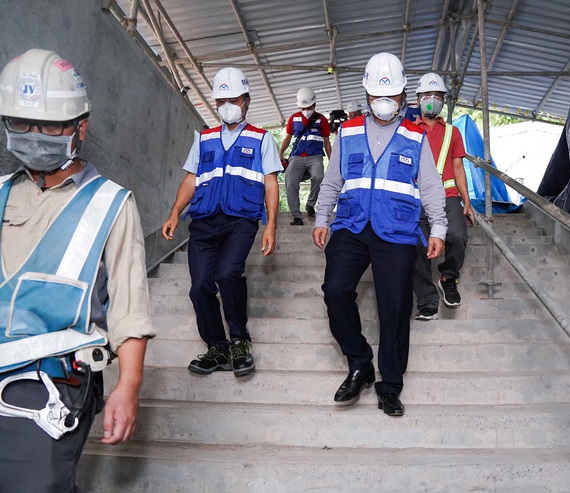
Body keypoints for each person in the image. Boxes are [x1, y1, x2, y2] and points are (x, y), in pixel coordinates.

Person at [0, 48, 155, 492]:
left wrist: (130, 385)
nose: (35, 135)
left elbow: (129, 308)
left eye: (50, 125)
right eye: (21, 124)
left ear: (80, 127)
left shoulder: (111, 204)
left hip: (52, 382)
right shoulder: (1, 193)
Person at [313, 53, 447, 417]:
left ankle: (390, 385)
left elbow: (432, 186)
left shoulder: (416, 135)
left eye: (390, 96)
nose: (383, 103)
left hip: (398, 230)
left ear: (405, 96)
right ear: (367, 95)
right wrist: (321, 217)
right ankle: (359, 362)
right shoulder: (348, 130)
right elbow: (332, 179)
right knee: (335, 290)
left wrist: (438, 227)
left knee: (394, 308)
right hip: (352, 225)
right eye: (375, 97)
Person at [162, 67, 281, 378]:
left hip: (241, 219)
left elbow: (270, 182)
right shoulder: (205, 138)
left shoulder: (262, 139)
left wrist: (271, 225)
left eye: (233, 99)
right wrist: (175, 211)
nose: (227, 105)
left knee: (228, 272)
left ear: (246, 101)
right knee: (200, 285)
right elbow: (191, 178)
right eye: (221, 100)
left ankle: (239, 341)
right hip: (203, 220)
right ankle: (217, 347)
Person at [412, 73, 476, 321]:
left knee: (458, 235)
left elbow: (458, 167)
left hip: (448, 197)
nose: (432, 100)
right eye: (427, 95)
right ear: (418, 99)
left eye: (437, 96)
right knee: (416, 245)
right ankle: (427, 301)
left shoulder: (452, 132)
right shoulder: (408, 131)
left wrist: (466, 200)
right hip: (417, 198)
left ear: (444, 101)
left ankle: (448, 278)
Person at [278, 87, 331, 225]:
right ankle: (296, 216)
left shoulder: (322, 120)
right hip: (296, 156)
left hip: (315, 156)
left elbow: (327, 142)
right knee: (290, 179)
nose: (306, 110)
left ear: (314, 104)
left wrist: (332, 161)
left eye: (308, 107)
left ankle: (310, 204)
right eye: (303, 107)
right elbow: (288, 138)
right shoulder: (293, 118)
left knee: (319, 176)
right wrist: (280, 153)